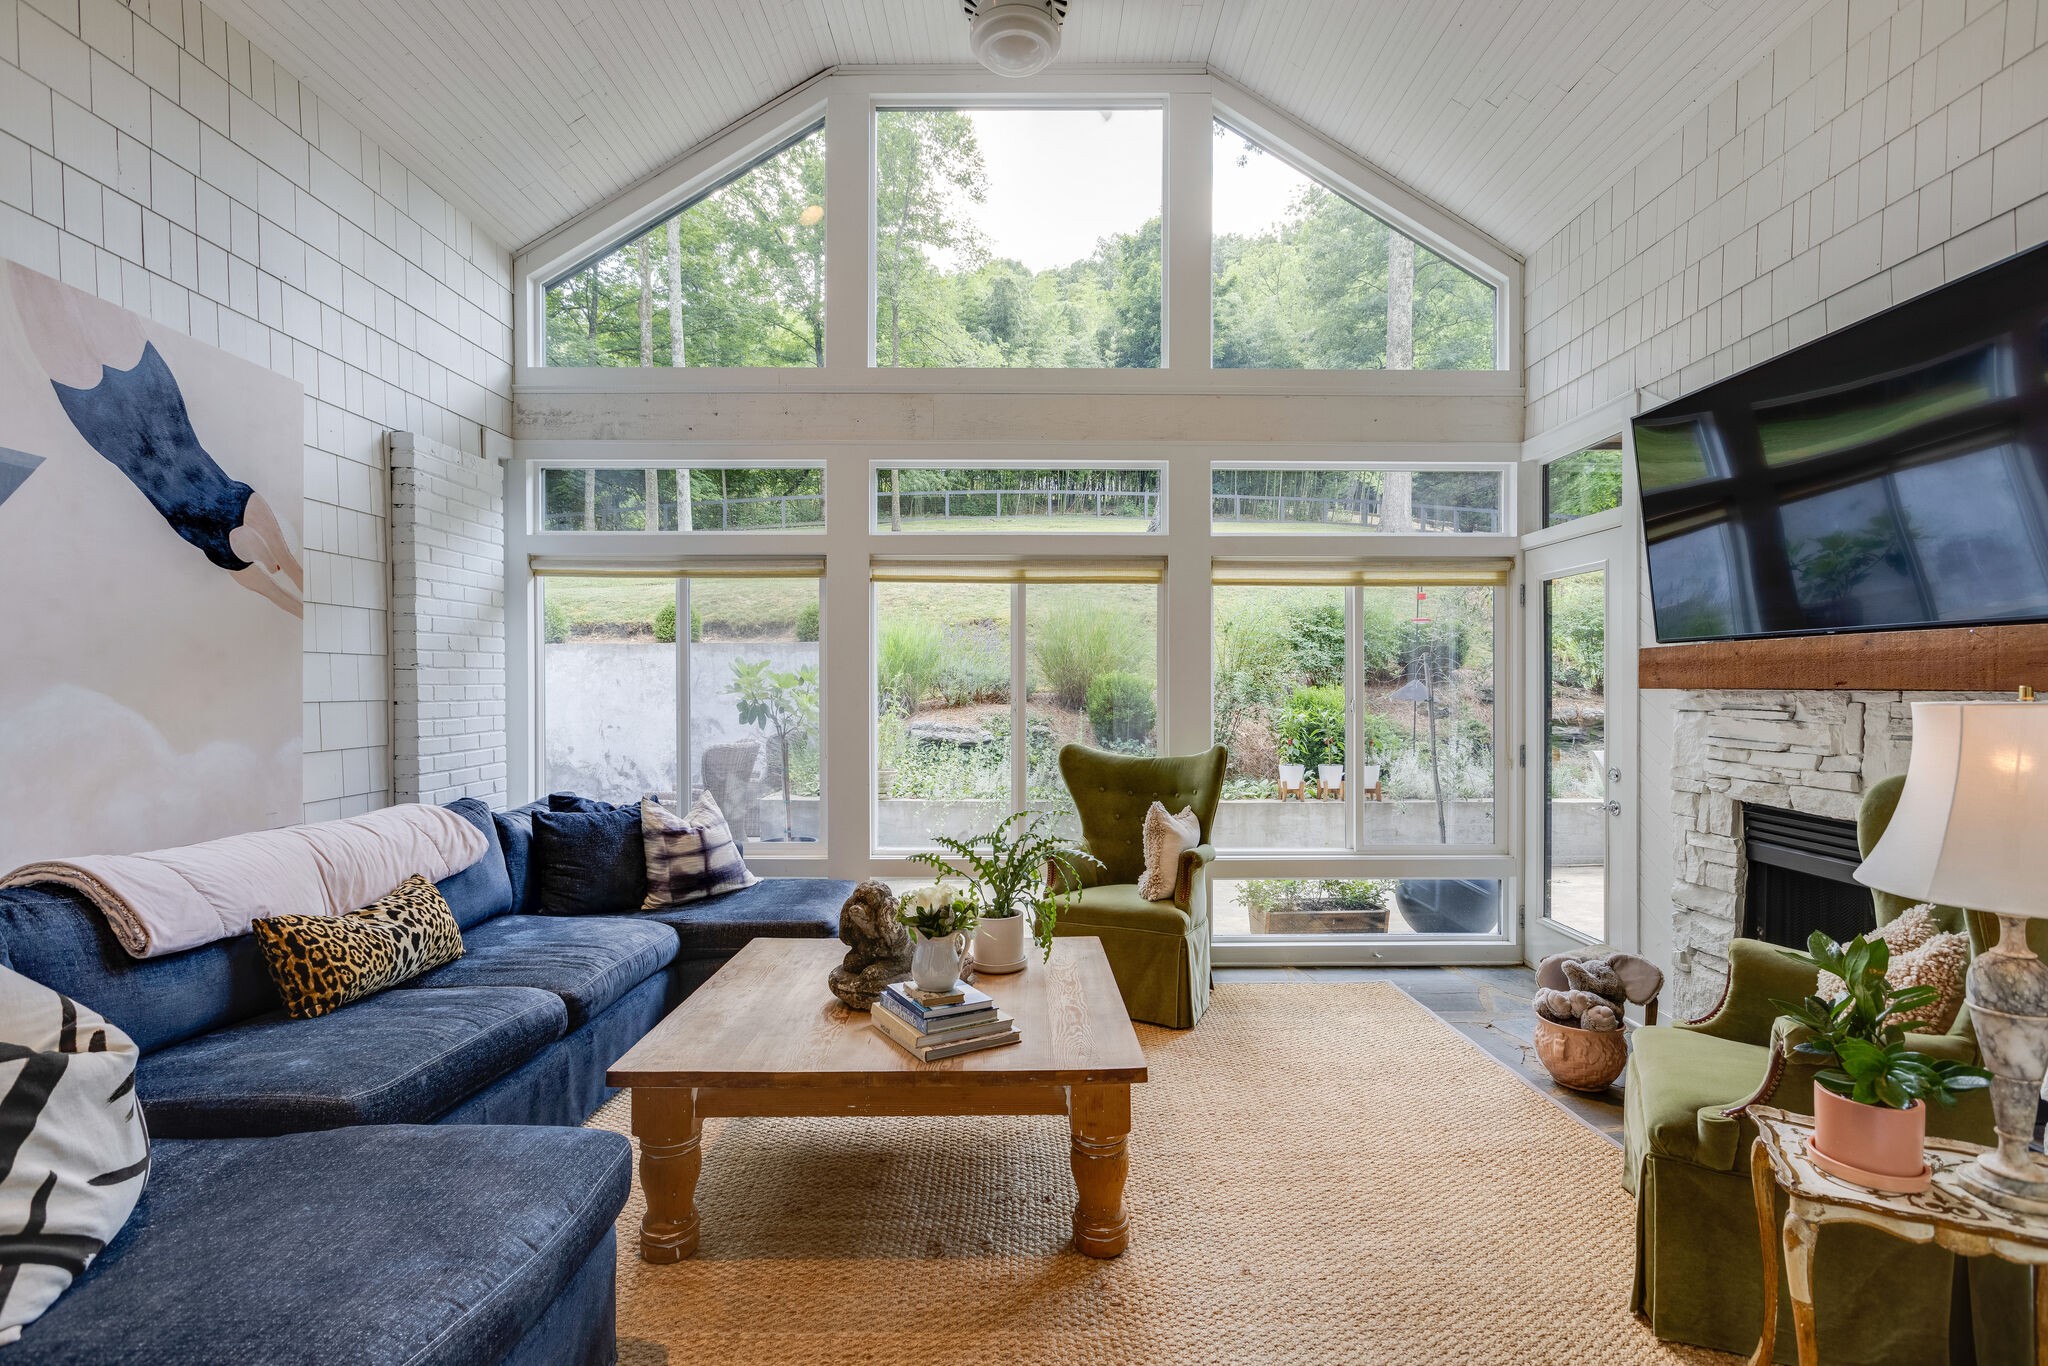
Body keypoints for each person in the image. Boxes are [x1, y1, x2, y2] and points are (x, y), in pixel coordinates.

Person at [8, 263, 302, 616]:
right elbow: (278, 580)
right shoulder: (226, 538)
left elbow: (281, 569)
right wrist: (276, 562)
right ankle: (262, 554)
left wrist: (280, 562)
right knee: (38, 283)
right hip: (114, 424)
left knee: (55, 283)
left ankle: (263, 554)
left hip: (147, 405)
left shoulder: (239, 510)